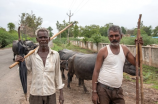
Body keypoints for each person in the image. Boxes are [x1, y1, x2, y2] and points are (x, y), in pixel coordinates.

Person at [92, 25, 143, 104]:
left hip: (118, 90)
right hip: (103, 89)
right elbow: (96, 71)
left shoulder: (124, 49)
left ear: (121, 36)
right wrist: (94, 92)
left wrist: (139, 47)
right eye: (111, 36)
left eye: (116, 35)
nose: (114, 38)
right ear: (108, 37)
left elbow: (137, 63)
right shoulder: (103, 51)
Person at [15, 28, 64, 104]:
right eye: (40, 37)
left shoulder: (55, 55)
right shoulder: (31, 55)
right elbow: (26, 72)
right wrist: (20, 63)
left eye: (45, 37)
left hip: (50, 94)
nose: (43, 39)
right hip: (35, 94)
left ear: (49, 39)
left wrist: (61, 93)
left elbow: (58, 74)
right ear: (37, 39)